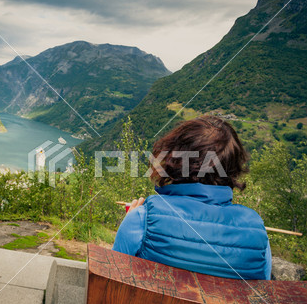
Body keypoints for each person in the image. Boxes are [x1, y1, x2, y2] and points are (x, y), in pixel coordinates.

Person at [112, 116, 272, 280]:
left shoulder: (142, 220)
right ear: (232, 168)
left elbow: (113, 281)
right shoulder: (258, 236)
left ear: (175, 159)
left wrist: (132, 220)